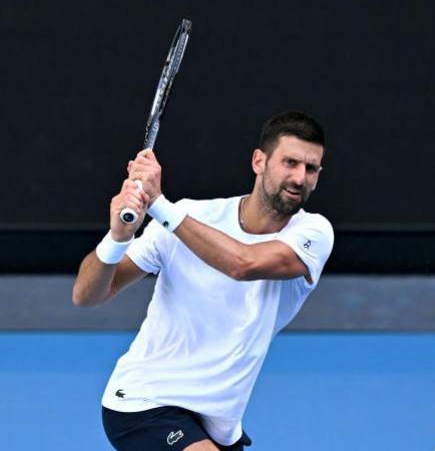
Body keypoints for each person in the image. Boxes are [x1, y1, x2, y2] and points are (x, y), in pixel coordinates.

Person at [72, 111, 334, 451]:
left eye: (310, 168)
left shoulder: (313, 233)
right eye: (290, 163)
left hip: (219, 423)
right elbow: (87, 294)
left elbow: (243, 264)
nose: (299, 177)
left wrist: (160, 207)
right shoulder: (189, 216)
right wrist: (117, 237)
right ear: (259, 161)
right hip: (145, 402)